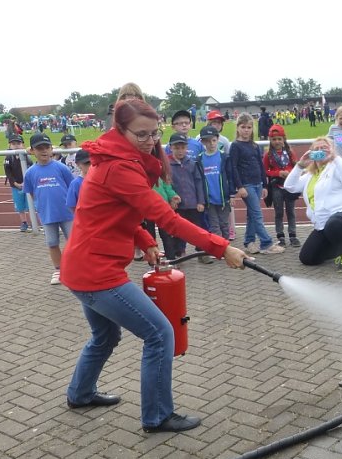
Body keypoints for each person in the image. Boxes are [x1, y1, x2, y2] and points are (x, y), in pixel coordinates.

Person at [60, 98, 247, 434]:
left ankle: (80, 393)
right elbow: (167, 219)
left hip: (82, 268)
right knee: (160, 333)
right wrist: (221, 248)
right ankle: (158, 416)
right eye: (140, 135)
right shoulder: (119, 167)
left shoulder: (117, 160)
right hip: (96, 273)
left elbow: (113, 215)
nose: (149, 142)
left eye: (153, 134)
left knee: (105, 336)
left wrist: (145, 242)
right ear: (120, 130)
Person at [284, 136, 342, 272]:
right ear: (311, 153)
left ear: (331, 150)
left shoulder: (335, 167)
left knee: (334, 223)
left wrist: (334, 157)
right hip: (323, 224)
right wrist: (300, 165)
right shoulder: (309, 175)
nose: (320, 151)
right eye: (316, 149)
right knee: (307, 258)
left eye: (324, 148)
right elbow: (290, 186)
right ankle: (340, 248)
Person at [228, 113, 284, 255]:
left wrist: (264, 185)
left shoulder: (254, 145)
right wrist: (239, 186)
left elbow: (260, 165)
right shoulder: (235, 146)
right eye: (243, 127)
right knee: (257, 214)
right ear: (238, 128)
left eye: (249, 127)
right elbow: (233, 167)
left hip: (257, 184)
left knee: (252, 215)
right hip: (246, 185)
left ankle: (249, 241)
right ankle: (266, 243)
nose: (246, 130)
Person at [22, 133, 74, 284]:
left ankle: (76, 267)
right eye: (39, 148)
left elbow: (71, 188)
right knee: (52, 243)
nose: (44, 151)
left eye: (47, 147)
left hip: (67, 213)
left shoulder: (61, 168)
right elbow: (32, 193)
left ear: (52, 149)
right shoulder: (31, 173)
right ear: (32, 151)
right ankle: (59, 270)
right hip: (47, 214)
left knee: (73, 241)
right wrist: (42, 206)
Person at [166, 132, 206, 259]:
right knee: (178, 230)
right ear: (171, 147)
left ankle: (201, 252)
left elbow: (199, 182)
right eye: (177, 148)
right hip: (178, 205)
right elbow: (166, 185)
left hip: (193, 204)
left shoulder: (192, 163)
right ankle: (180, 252)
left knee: (198, 229)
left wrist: (201, 201)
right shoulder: (167, 165)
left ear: (187, 148)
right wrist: (171, 200)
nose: (180, 151)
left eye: (183, 147)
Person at [263, 124, 300, 247]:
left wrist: (289, 172)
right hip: (276, 187)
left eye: (279, 139)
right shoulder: (268, 155)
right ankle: (280, 236)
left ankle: (293, 235)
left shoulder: (290, 153)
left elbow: (296, 167)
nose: (277, 141)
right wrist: (278, 173)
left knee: (291, 212)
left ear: (284, 139)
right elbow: (265, 170)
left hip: (289, 187)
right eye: (274, 139)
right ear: (270, 140)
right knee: (278, 213)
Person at [199, 125, 232, 244]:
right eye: (208, 141)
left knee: (224, 224)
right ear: (202, 142)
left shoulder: (224, 157)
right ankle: (219, 247)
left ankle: (226, 245)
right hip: (210, 200)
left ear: (218, 139)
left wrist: (231, 195)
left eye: (214, 140)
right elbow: (200, 181)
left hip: (223, 198)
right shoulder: (199, 160)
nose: (211, 144)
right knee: (214, 225)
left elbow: (230, 176)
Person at [3, 134, 32, 232]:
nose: (16, 146)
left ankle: (34, 222)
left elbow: (31, 169)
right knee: (20, 205)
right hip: (16, 185)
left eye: (18, 143)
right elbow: (8, 172)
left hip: (28, 184)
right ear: (9, 145)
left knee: (31, 204)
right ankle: (24, 222)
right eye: (13, 144)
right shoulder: (8, 158)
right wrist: (15, 183)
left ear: (23, 145)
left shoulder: (27, 156)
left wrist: (27, 182)